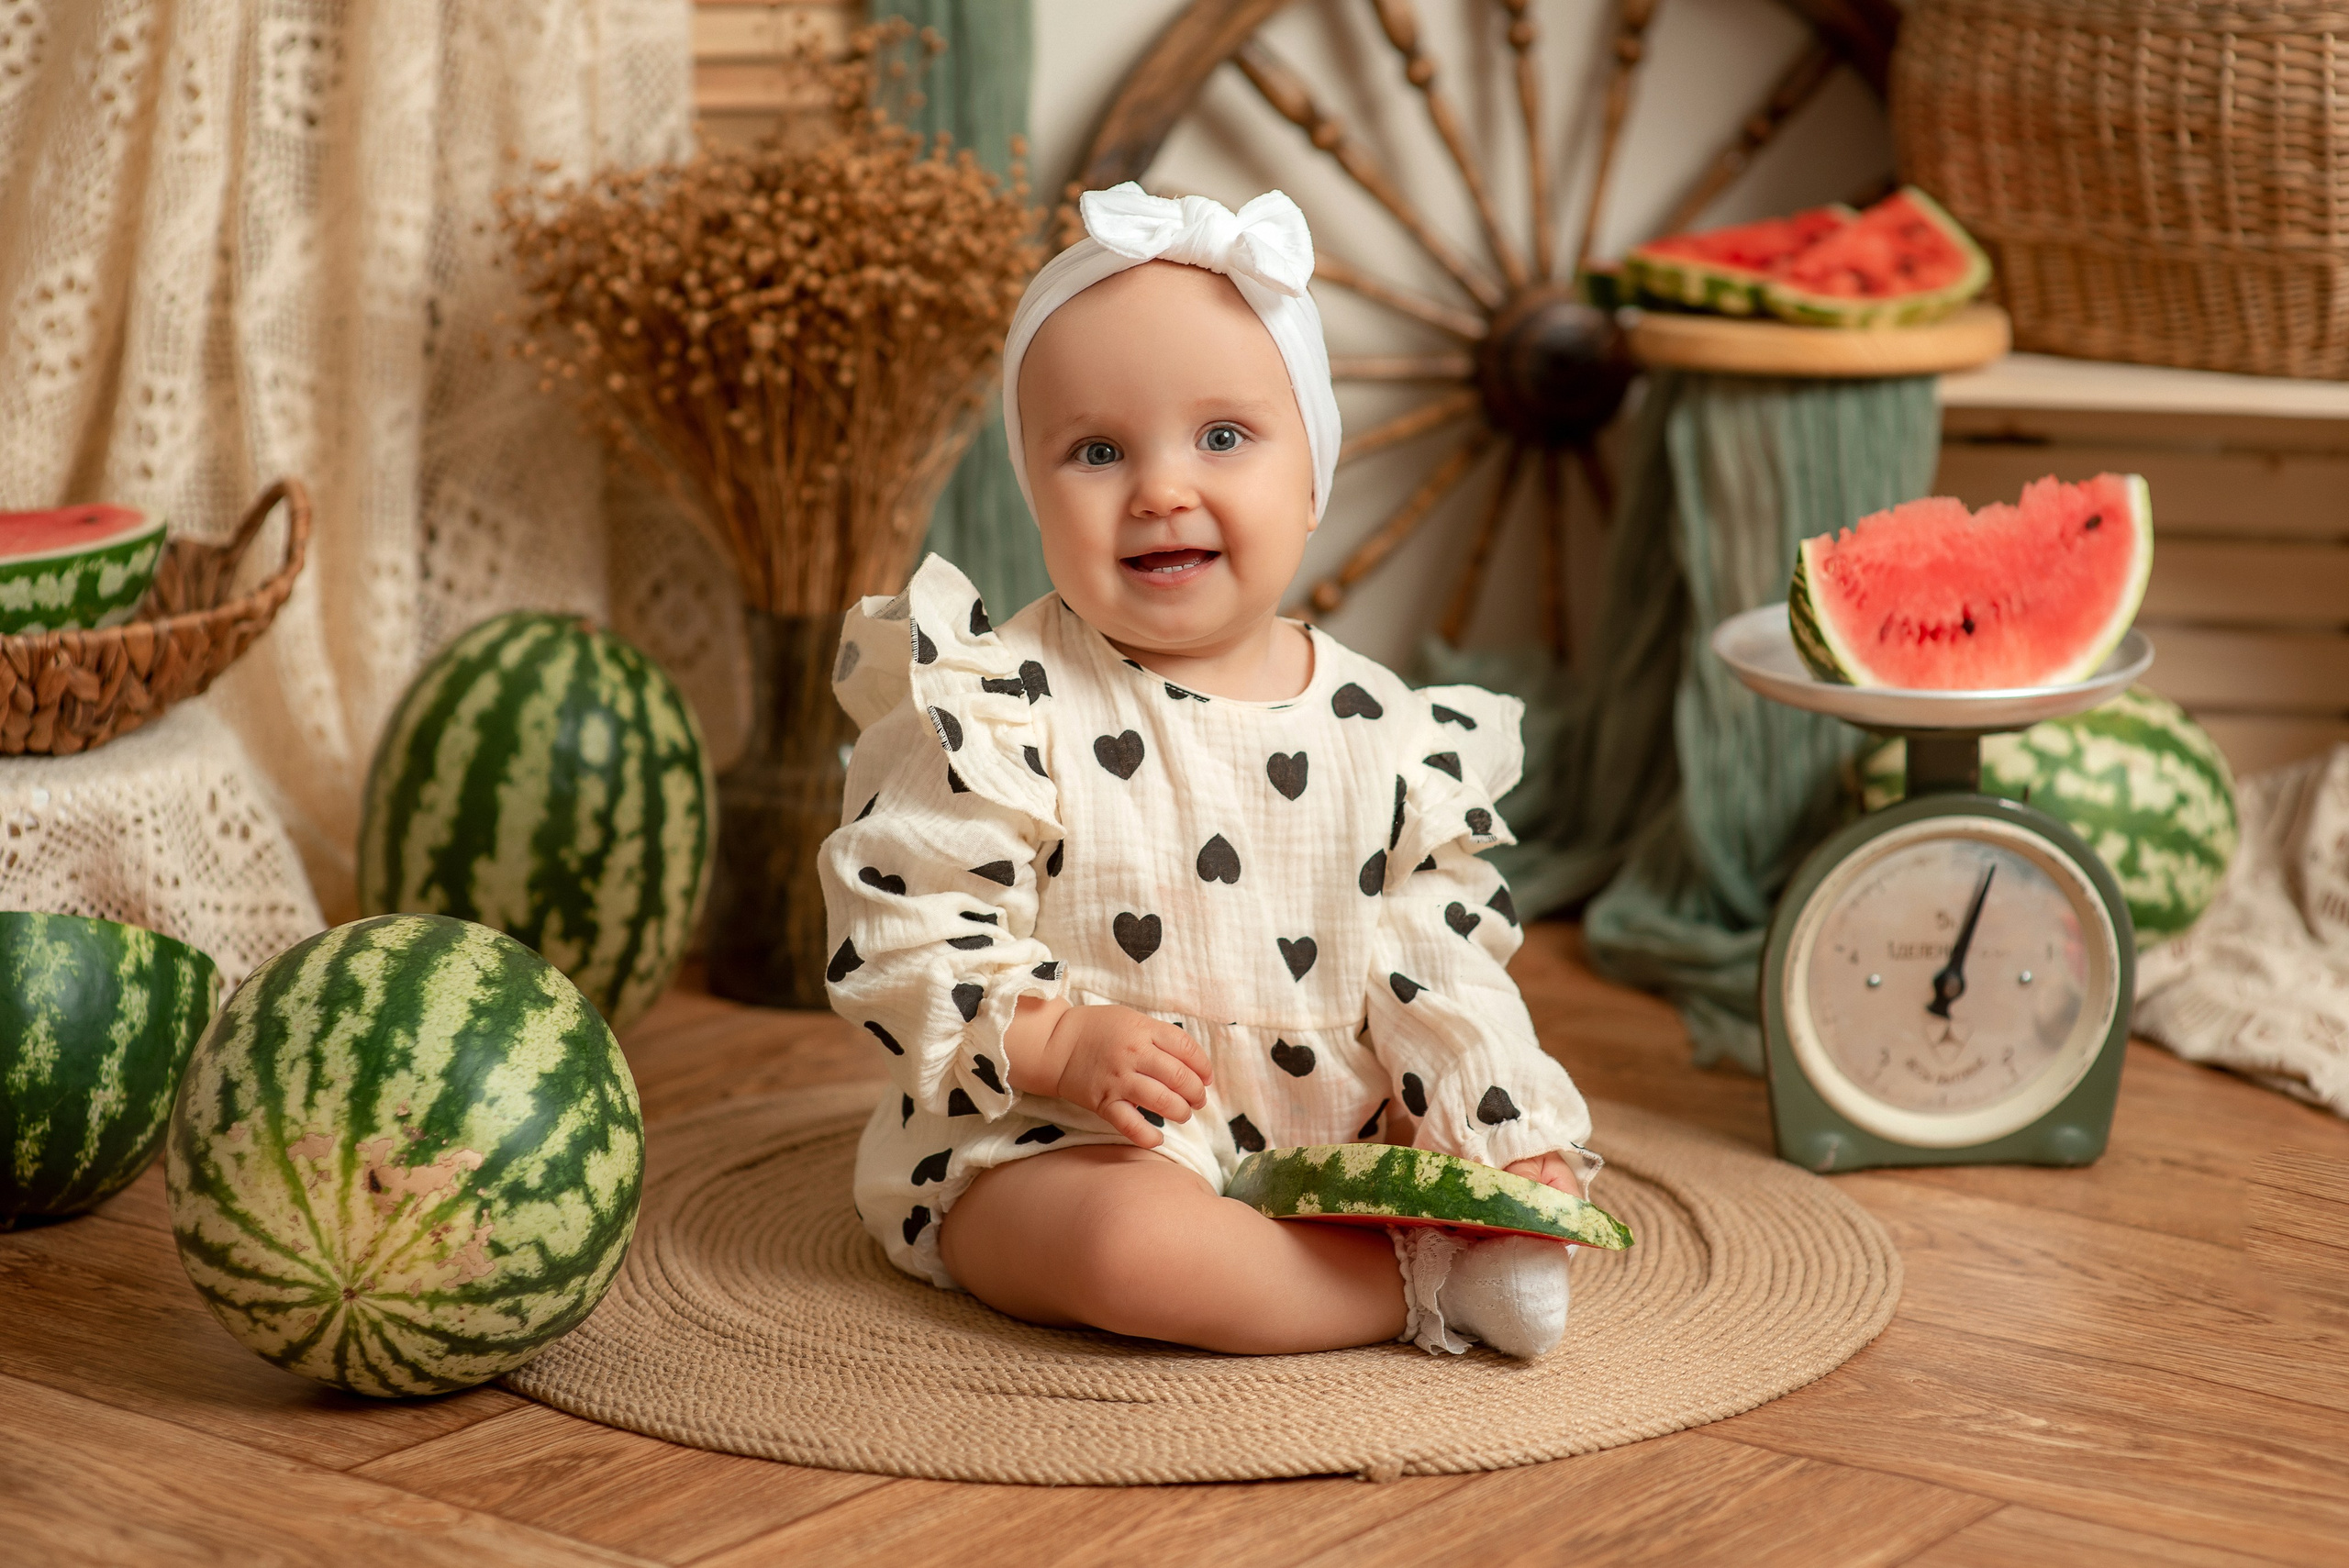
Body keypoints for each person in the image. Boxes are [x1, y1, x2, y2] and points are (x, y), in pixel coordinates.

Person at [820, 184, 1599, 1358]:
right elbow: (905, 925)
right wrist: (1057, 1042)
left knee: (1467, 1135)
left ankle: (1387, 1232)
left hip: (1321, 1138)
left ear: (1311, 476)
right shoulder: (1001, 701)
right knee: (1123, 1247)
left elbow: (1437, 960)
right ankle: (1421, 1283)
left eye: (1222, 437)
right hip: (1065, 1136)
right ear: (1035, 491)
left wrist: (1507, 1127)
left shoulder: (1384, 730)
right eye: (1097, 451)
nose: (1160, 489)